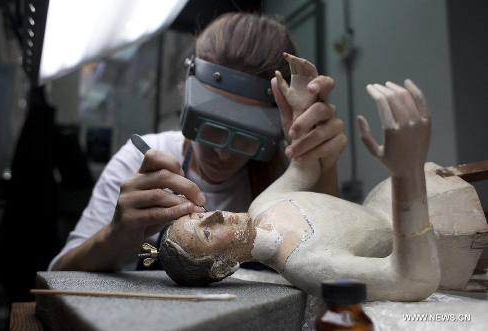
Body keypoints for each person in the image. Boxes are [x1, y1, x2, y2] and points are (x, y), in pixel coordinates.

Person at [49, 12, 347, 272]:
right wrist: (114, 237)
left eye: (245, 136)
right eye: (210, 128)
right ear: (187, 103)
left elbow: (337, 269)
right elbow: (58, 275)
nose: (221, 152)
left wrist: (321, 166)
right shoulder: (139, 164)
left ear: (271, 134)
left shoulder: (287, 179)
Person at [158, 53, 441, 302]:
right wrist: (407, 174)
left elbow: (306, 169)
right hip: (440, 230)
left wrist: (301, 114)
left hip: (405, 193)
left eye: (199, 217)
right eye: (207, 233)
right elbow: (412, 279)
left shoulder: (262, 205)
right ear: (222, 266)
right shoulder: (308, 266)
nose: (215, 215)